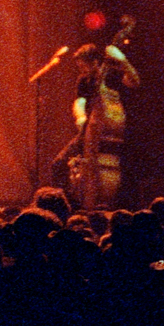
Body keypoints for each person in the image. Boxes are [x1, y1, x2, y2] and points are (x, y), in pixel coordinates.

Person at [49, 39, 137, 209]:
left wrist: (123, 61)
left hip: (112, 133)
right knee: (59, 164)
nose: (81, 70)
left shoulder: (111, 74)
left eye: (84, 66)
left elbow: (134, 81)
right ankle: (67, 206)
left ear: (95, 62)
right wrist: (80, 116)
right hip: (89, 132)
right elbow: (79, 101)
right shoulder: (84, 80)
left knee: (122, 174)